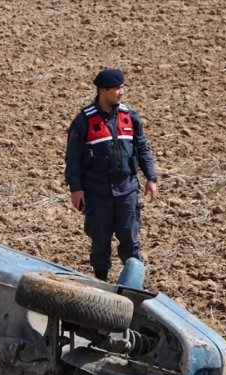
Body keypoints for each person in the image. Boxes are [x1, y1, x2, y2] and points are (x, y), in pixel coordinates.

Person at [64, 68, 158, 281]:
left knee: (130, 239)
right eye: (116, 88)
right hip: (97, 192)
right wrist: (76, 188)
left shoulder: (130, 118)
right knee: (100, 241)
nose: (121, 92)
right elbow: (73, 158)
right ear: (102, 90)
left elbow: (142, 148)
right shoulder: (83, 120)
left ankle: (134, 283)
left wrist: (151, 178)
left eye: (122, 87)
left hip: (127, 189)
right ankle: (101, 281)